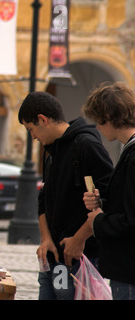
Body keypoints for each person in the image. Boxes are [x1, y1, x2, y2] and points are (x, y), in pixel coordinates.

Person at [18, 91, 113, 300]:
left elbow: (108, 201)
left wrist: (79, 240)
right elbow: (44, 199)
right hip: (52, 257)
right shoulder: (51, 151)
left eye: (31, 129)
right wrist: (45, 239)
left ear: (42, 119)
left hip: (80, 258)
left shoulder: (87, 146)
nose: (33, 136)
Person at [82, 82, 135, 300]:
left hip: (129, 268)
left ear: (107, 116)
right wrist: (103, 204)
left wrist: (98, 220)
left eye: (97, 120)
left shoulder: (132, 156)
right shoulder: (129, 151)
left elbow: (131, 220)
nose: (97, 128)